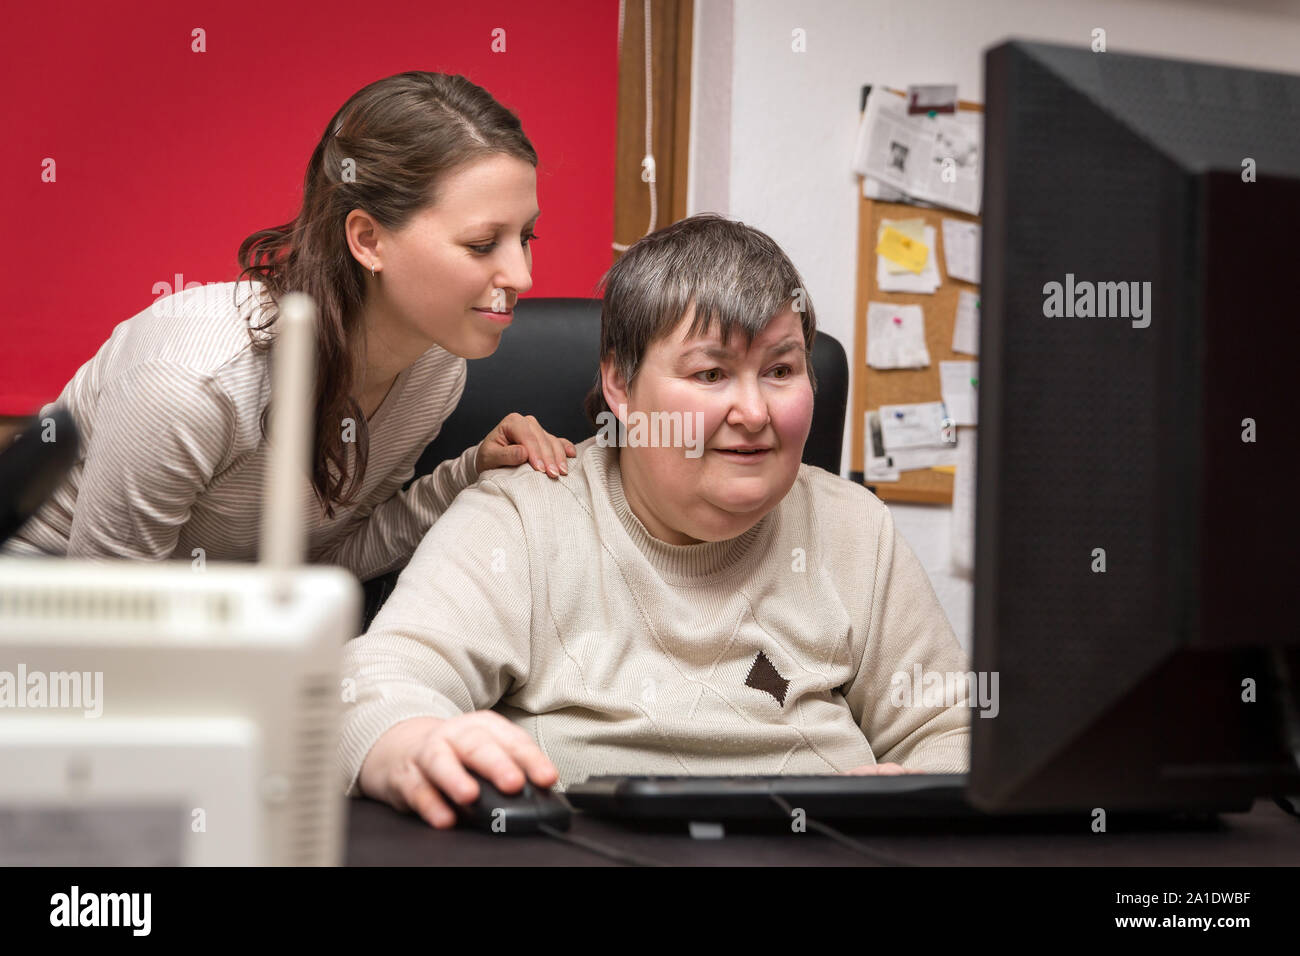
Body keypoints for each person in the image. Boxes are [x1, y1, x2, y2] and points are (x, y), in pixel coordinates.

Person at [338, 214, 972, 829]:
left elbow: (954, 731)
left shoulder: (855, 527)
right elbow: (381, 684)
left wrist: (923, 789)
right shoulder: (521, 519)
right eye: (712, 373)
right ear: (620, 381)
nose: (753, 411)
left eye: (780, 371)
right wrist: (417, 741)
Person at [2, 72, 574, 588]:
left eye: (526, 238)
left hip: (217, 632)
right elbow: (105, 618)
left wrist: (468, 473)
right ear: (368, 240)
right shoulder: (191, 383)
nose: (522, 276)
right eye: (480, 244)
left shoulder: (436, 367)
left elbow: (315, 572)